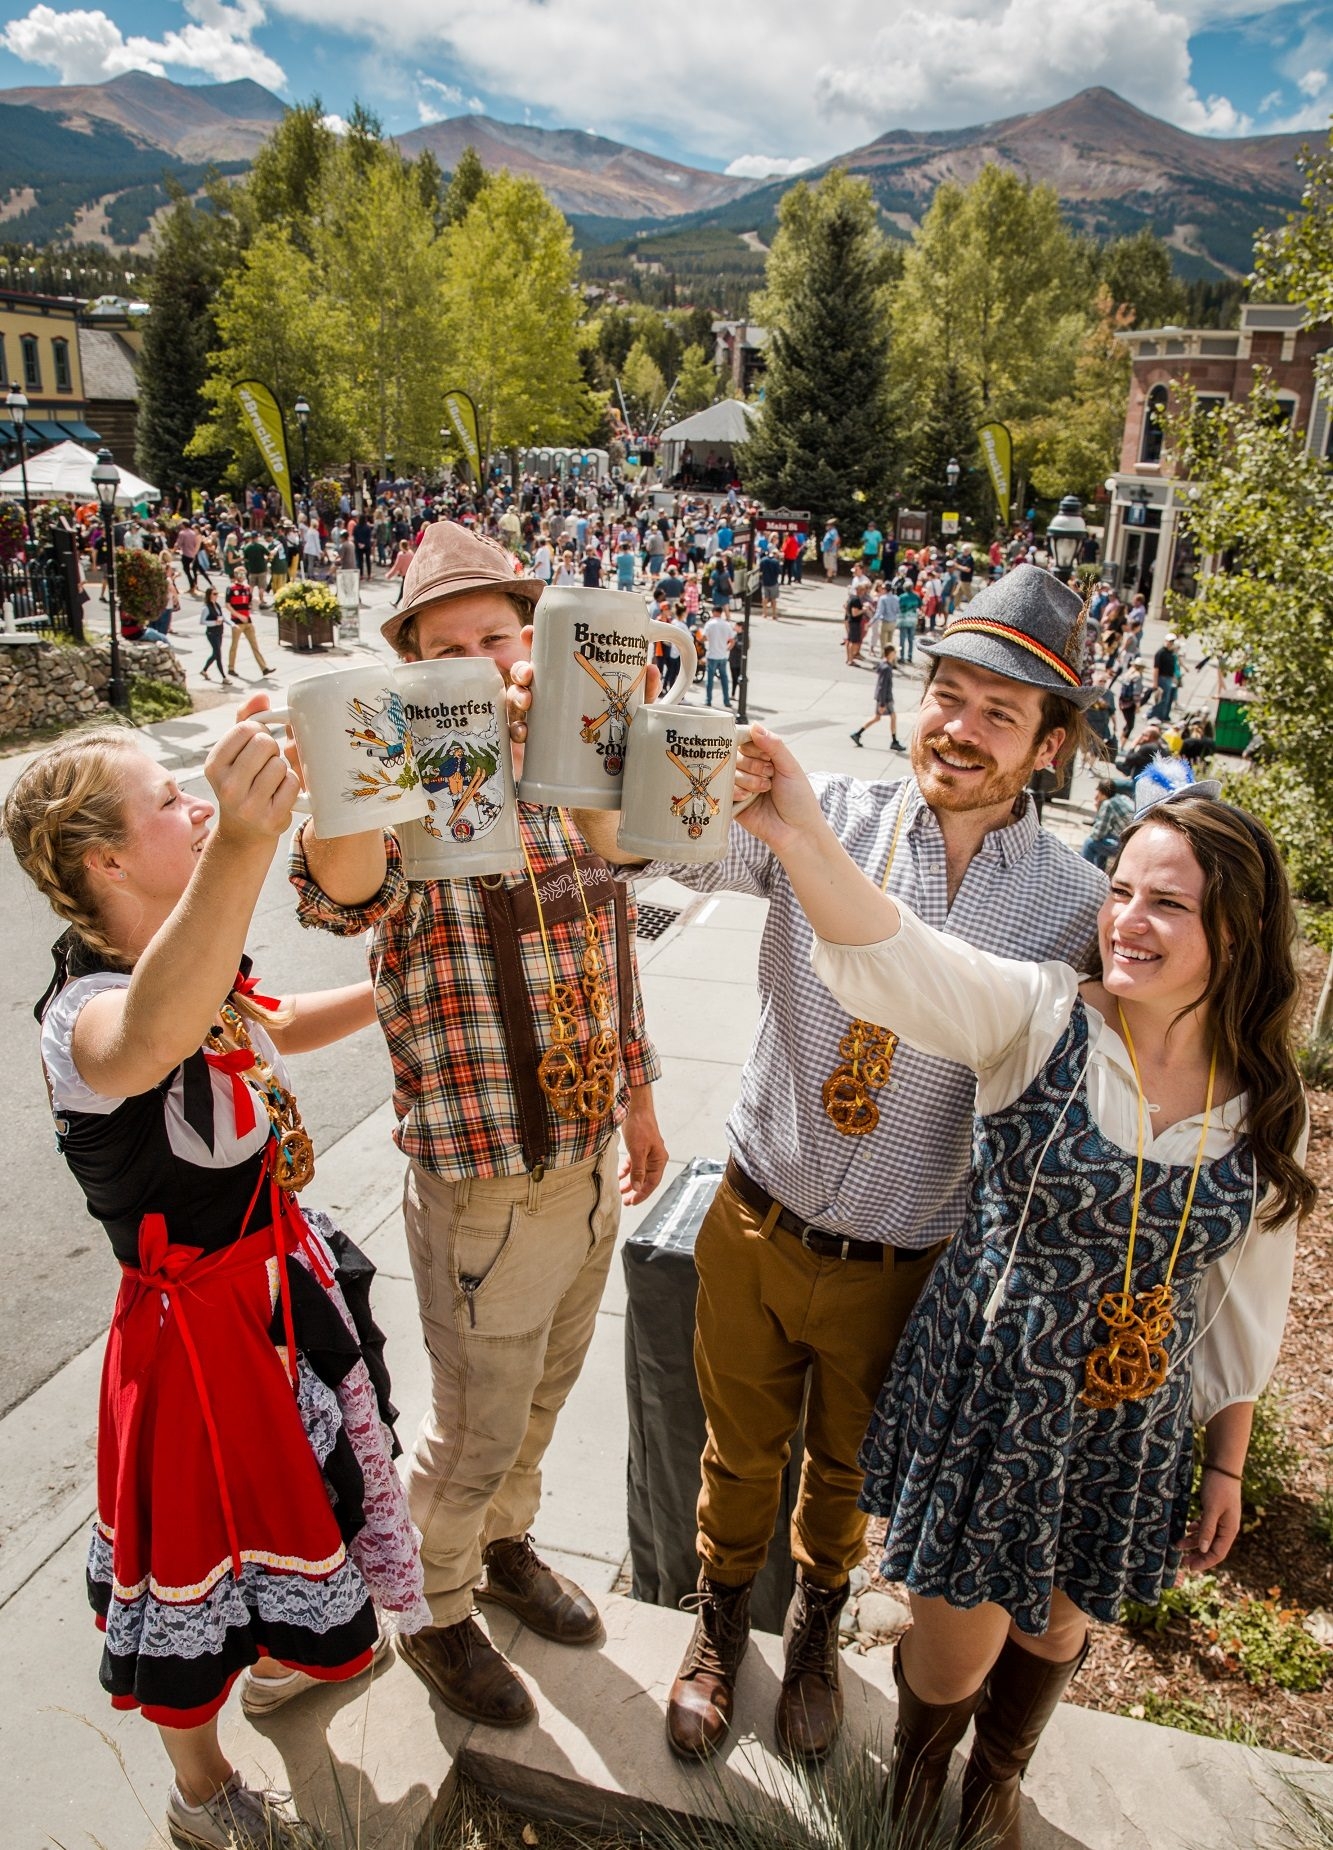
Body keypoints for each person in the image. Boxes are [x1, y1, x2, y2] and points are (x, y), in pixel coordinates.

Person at [551, 567, 1107, 1763]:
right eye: (946, 693)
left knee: (846, 1473)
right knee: (736, 1448)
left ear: (1050, 748)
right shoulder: (828, 813)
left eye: (998, 713)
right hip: (757, 1216)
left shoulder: (1077, 907)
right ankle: (716, 1629)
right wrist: (590, 736)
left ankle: (809, 1631)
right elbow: (647, 850)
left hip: (909, 1257)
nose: (956, 726)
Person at [727, 736, 1312, 1848]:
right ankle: (915, 1770)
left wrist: (1226, 1455)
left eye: (1168, 905)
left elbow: (1245, 1296)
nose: (1127, 919)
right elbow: (900, 958)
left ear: (1233, 930)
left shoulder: (1264, 1103)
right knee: (956, 1646)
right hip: (992, 1399)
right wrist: (801, 834)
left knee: (1053, 1630)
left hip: (1123, 1424)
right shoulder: (1040, 1018)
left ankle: (993, 1783)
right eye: (1121, 892)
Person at [2, 726, 429, 1850]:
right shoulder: (78, 1019)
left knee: (304, 1505)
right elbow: (147, 1039)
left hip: (275, 1294)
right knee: (191, 1561)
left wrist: (399, 992)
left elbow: (266, 1018)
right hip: (195, 1342)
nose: (196, 806)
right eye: (168, 801)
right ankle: (202, 1794)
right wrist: (244, 842)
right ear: (103, 860)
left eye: (199, 799)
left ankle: (285, 1661)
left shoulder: (197, 968)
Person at [286, 521, 668, 1728]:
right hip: (481, 1176)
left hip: (586, 1153)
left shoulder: (576, 770)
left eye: (498, 635)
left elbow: (613, 937)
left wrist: (641, 1093)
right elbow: (334, 887)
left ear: (535, 639)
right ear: (407, 670)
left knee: (546, 1391)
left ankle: (502, 1547)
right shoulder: (391, 793)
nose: (483, 660)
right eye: (444, 648)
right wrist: (357, 760)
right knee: (473, 1423)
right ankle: (434, 1607)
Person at [850, 647, 905, 753]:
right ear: (889, 653)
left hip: (882, 698)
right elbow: (882, 686)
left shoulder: (884, 665)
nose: (895, 655)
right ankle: (894, 741)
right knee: (893, 717)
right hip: (885, 698)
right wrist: (882, 703)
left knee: (877, 718)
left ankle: (857, 734)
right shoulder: (886, 668)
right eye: (894, 652)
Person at [225, 568, 273, 679]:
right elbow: (228, 605)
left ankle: (264, 668)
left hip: (247, 621)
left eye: (243, 574)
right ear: (236, 575)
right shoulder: (231, 588)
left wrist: (254, 605)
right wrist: (239, 615)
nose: (242, 576)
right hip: (237, 622)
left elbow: (249, 603)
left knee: (254, 645)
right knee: (234, 645)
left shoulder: (247, 589)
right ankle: (231, 668)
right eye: (239, 574)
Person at [1081, 775, 1133, 866]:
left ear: (1101, 792)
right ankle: (1100, 873)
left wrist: (1098, 808)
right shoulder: (1122, 798)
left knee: (1089, 843)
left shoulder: (1108, 804)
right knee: (1103, 841)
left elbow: (1098, 834)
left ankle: (1084, 871)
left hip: (1125, 845)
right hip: (1132, 840)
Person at [702, 607, 735, 707]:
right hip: (723, 655)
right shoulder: (727, 624)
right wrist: (726, 649)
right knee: (724, 679)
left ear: (713, 612)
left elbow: (703, 637)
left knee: (710, 680)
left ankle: (708, 700)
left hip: (712, 654)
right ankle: (726, 700)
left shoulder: (710, 624)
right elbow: (732, 640)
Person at [200, 584, 231, 683]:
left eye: (217, 593)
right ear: (209, 595)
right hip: (211, 633)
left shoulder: (217, 605)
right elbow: (202, 621)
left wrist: (231, 624)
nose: (216, 595)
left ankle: (204, 670)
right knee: (218, 655)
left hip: (219, 632)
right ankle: (224, 677)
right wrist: (214, 623)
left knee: (215, 654)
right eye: (214, 594)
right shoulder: (206, 608)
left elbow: (222, 617)